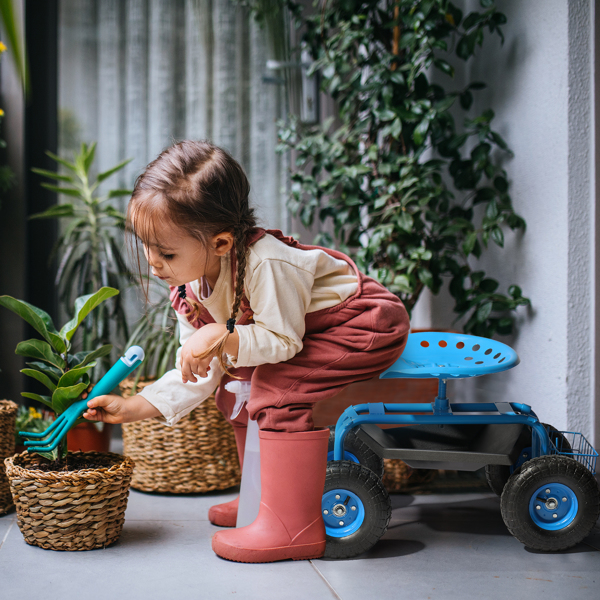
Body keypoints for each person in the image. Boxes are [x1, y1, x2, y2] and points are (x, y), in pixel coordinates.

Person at [83, 139, 410, 563]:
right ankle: (260, 498)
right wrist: (135, 407)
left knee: (277, 388)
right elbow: (202, 371)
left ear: (220, 243)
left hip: (359, 323)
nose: (153, 263)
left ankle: (292, 526)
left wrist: (220, 335)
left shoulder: (267, 263)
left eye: (165, 251)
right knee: (235, 390)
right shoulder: (189, 288)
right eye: (146, 246)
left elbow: (282, 341)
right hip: (304, 332)